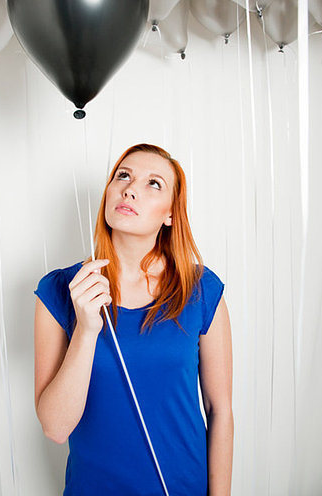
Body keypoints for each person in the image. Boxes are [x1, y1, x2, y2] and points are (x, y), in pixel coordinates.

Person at [34, 143, 233, 496]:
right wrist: (86, 330)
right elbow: (55, 428)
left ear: (170, 214)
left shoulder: (201, 290)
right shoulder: (62, 290)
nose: (129, 188)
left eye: (153, 183)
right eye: (122, 176)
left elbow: (220, 411)